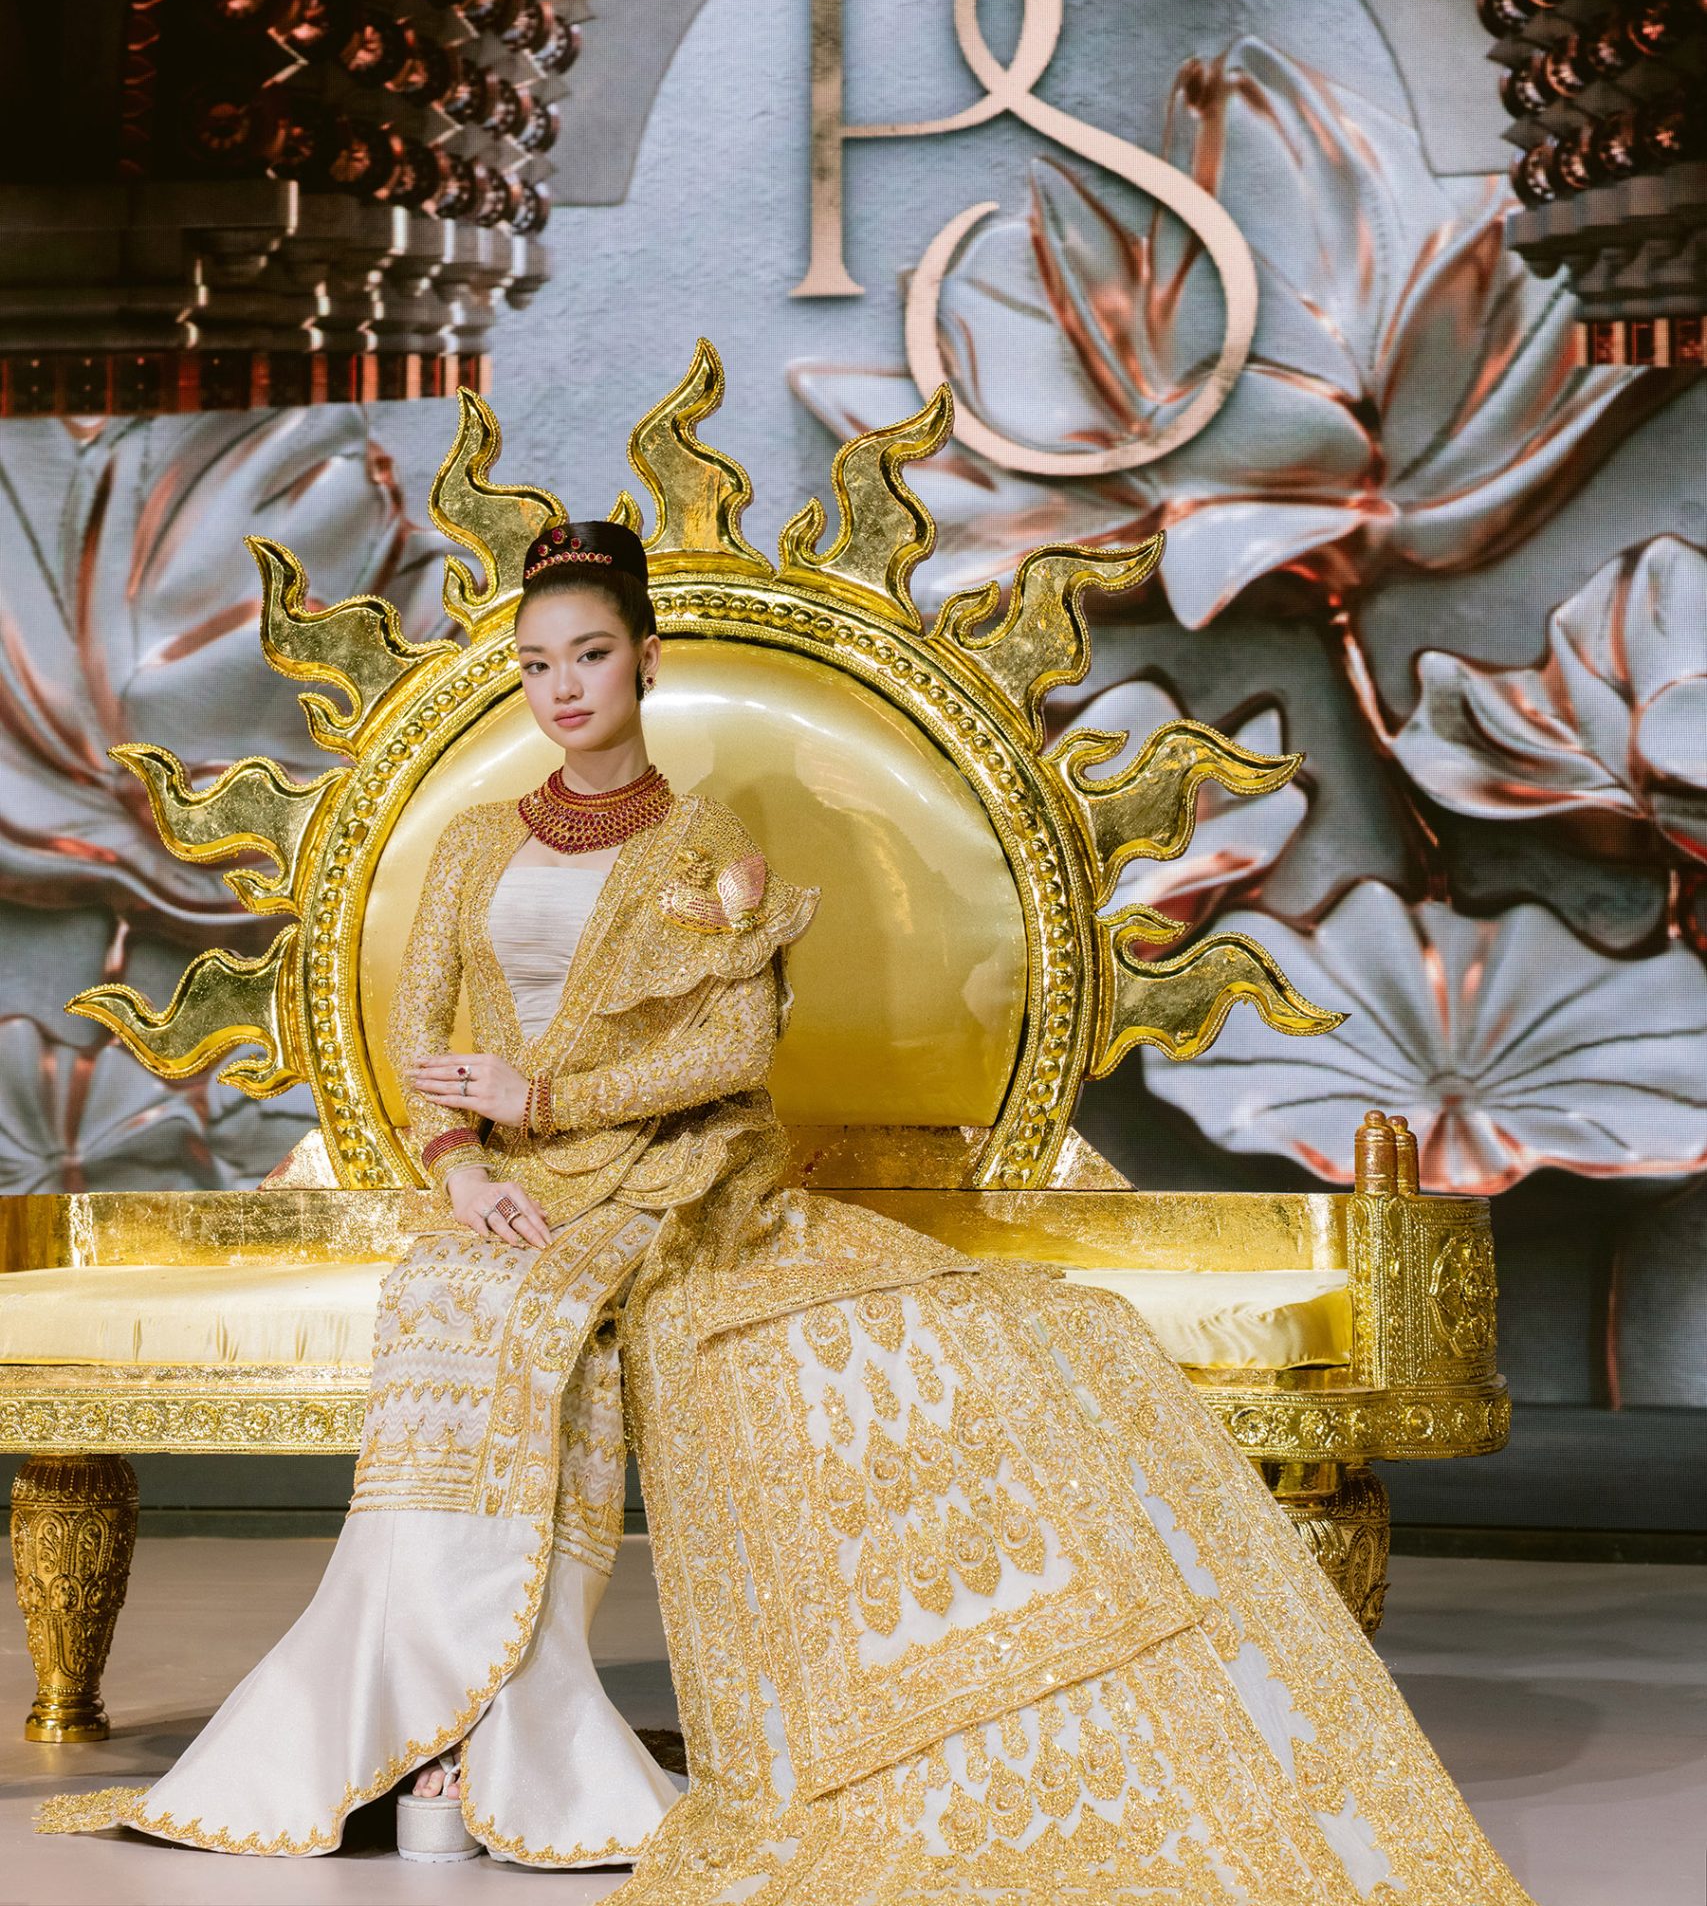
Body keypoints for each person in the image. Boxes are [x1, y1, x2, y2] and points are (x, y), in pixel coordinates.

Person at [45, 518, 1533, 1899]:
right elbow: (420, 1036)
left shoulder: (708, 847)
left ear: (644, 660)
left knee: (540, 1313)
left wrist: (542, 1098)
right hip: (505, 1186)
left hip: (669, 1176)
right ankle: (428, 1731)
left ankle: (492, 1747)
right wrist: (464, 1161)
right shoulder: (472, 845)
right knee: (451, 1300)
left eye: (590, 655)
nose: (562, 688)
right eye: (537, 663)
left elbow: (733, 1052)